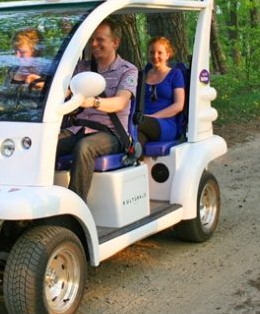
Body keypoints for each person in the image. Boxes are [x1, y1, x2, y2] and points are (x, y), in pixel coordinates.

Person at [56, 20, 138, 201]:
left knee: (84, 148)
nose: (93, 44)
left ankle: (74, 207)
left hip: (111, 133)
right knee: (45, 143)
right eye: (92, 39)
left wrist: (93, 102)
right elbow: (63, 92)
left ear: (115, 42)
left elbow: (120, 103)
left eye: (99, 39)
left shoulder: (128, 70)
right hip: (79, 129)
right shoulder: (82, 68)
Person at [137, 36, 185, 148]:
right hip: (141, 123)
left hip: (165, 124)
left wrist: (153, 117)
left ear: (167, 55)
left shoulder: (175, 74)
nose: (155, 56)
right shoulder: (142, 75)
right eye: (152, 52)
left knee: (136, 123)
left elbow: (179, 105)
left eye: (160, 53)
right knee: (135, 145)